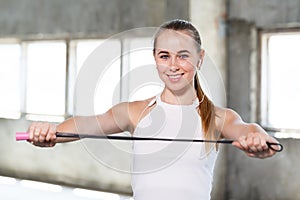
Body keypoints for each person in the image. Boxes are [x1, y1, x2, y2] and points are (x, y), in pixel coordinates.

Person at [27, 19, 280, 200]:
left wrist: (257, 138)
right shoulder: (135, 112)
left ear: (200, 58)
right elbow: (85, 125)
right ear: (155, 58)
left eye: (183, 56)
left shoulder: (218, 117)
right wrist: (51, 133)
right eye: (164, 56)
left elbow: (246, 129)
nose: (173, 65)